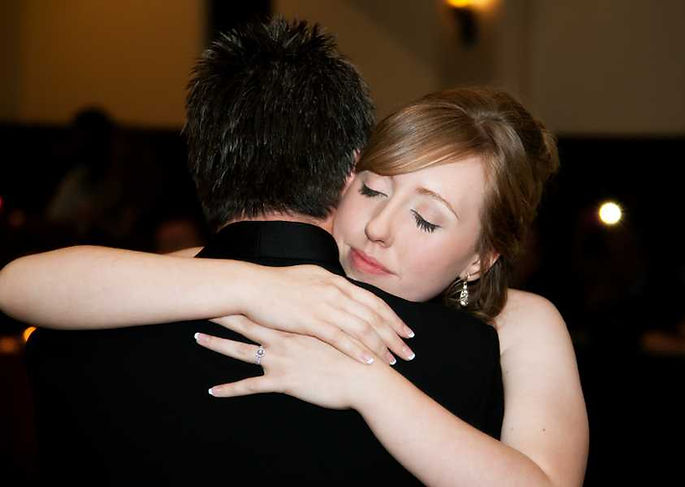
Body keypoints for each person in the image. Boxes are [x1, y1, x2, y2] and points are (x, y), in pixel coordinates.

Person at [1, 23, 588, 487]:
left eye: (426, 219)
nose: (379, 227)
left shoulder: (517, 322)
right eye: (373, 189)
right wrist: (258, 287)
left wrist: (369, 387)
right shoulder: (281, 268)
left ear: (480, 259)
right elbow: (20, 285)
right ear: (342, 180)